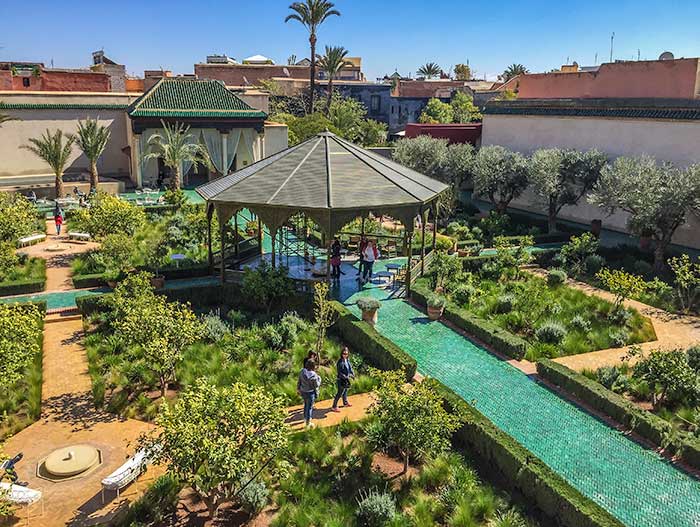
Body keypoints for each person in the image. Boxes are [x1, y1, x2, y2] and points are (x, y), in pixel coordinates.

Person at [297, 359, 321, 428]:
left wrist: (298, 388)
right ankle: (308, 422)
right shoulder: (314, 376)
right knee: (309, 407)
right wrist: (319, 379)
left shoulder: (302, 371)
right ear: (313, 366)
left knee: (305, 405)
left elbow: (299, 381)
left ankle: (305, 418)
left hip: (303, 392)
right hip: (310, 393)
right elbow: (316, 385)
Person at [331, 347, 354, 412]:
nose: (345, 355)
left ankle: (345, 403)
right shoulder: (340, 362)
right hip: (341, 380)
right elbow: (339, 372)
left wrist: (352, 374)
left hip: (346, 379)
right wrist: (346, 377)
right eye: (344, 354)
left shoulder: (347, 360)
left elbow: (350, 368)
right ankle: (334, 406)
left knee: (345, 391)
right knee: (340, 393)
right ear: (341, 354)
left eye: (346, 354)